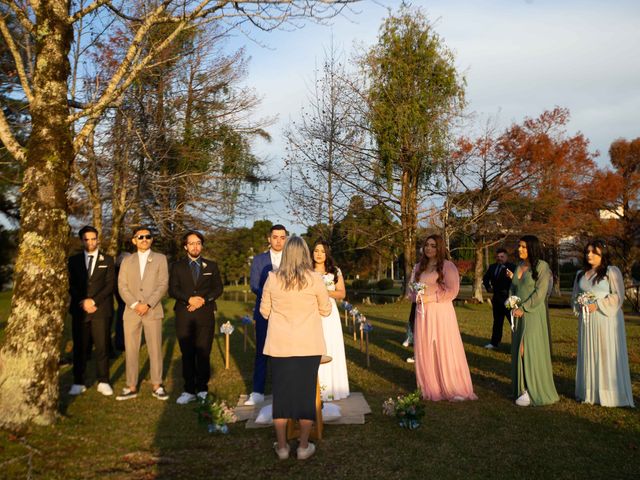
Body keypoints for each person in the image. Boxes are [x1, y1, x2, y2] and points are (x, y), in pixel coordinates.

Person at [260, 236, 332, 460]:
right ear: (304, 254)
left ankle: (282, 447)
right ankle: (302, 446)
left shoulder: (272, 278)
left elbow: (264, 311)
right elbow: (326, 310)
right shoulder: (315, 279)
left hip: (280, 346)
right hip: (307, 346)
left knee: (281, 396)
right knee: (305, 395)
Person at [411, 234, 477, 402]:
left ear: (439, 248)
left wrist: (430, 298)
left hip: (441, 313)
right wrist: (416, 297)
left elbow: (452, 291)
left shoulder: (448, 266)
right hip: (422, 314)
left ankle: (454, 386)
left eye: (433, 245)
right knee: (425, 348)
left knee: (443, 346)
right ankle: (430, 386)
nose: (429, 248)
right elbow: (411, 290)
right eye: (427, 245)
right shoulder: (418, 267)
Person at [572, 239, 634, 407]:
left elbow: (618, 296)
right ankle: (590, 391)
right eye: (587, 252)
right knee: (589, 353)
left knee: (606, 353)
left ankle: (609, 393)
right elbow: (575, 297)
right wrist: (581, 303)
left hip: (606, 319)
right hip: (587, 321)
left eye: (594, 252)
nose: (589, 255)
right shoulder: (580, 274)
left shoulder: (611, 272)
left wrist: (597, 304)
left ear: (602, 255)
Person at [170, 231, 224, 405]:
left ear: (202, 245)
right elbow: (173, 289)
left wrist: (203, 300)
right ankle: (188, 390)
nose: (195, 246)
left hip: (205, 314)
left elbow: (218, 289)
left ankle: (202, 389)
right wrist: (189, 299)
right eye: (191, 243)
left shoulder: (212, 266)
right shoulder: (177, 266)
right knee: (187, 353)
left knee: (203, 353)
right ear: (185, 246)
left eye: (198, 243)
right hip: (184, 313)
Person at [116, 227, 169, 401]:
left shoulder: (160, 259)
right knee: (131, 350)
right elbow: (122, 286)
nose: (144, 239)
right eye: (140, 237)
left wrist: (148, 304)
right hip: (131, 312)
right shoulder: (126, 261)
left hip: (152, 310)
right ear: (134, 240)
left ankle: (157, 385)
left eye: (147, 236)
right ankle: (131, 386)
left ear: (151, 240)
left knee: (155, 348)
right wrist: (134, 304)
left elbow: (163, 284)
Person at [507, 235, 558, 407]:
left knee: (526, 348)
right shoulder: (519, 265)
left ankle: (532, 388)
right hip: (517, 314)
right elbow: (513, 287)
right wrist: (511, 303)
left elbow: (540, 293)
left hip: (533, 313)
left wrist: (524, 307)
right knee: (517, 348)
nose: (520, 249)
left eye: (524, 247)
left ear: (532, 248)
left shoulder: (542, 266)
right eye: (519, 246)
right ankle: (521, 387)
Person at [67, 226, 115, 396]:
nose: (90, 242)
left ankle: (104, 381)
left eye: (93, 238)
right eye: (86, 239)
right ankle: (78, 381)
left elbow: (110, 285)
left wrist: (93, 300)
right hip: (80, 310)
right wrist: (83, 301)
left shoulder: (108, 260)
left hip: (101, 309)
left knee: (102, 347)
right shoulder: (73, 261)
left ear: (98, 239)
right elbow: (70, 285)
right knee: (80, 347)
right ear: (82, 241)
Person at [244, 224, 288, 406]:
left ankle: (286, 389)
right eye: (275, 237)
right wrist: (272, 296)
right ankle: (257, 391)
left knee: (287, 352)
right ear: (269, 239)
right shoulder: (259, 260)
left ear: (286, 239)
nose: (278, 240)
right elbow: (254, 285)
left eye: (282, 237)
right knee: (262, 349)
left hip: (288, 312)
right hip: (265, 310)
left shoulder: (291, 259)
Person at [312, 240, 349, 401]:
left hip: (330, 313)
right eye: (316, 251)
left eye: (322, 251)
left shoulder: (335, 271)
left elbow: (341, 293)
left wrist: (325, 292)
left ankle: (334, 389)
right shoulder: (307, 271)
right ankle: (316, 389)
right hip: (312, 313)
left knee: (331, 345)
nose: (319, 254)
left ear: (327, 253)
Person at [482, 248, 516, 350]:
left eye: (502, 257)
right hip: (496, 298)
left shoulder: (512, 267)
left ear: (506, 257)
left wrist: (512, 277)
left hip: (509, 298)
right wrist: (488, 287)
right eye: (498, 257)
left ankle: (517, 343)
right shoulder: (492, 267)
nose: (499, 258)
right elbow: (485, 278)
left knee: (513, 322)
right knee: (497, 322)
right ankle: (494, 343)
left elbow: (518, 281)